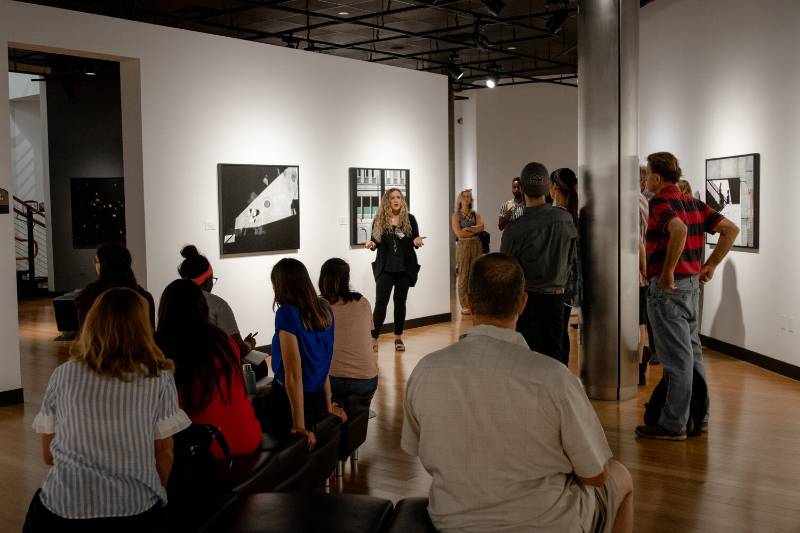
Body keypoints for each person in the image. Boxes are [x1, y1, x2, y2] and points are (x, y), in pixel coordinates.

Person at [402, 253, 633, 532]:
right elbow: (596, 475)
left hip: (453, 521)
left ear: (469, 300)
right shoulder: (554, 378)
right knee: (622, 477)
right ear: (523, 302)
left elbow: (415, 448)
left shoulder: (426, 370)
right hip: (547, 523)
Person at [24, 288, 190, 532]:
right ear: (143, 327)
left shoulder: (63, 375)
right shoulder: (159, 378)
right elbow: (164, 454)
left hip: (62, 512)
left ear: (92, 323)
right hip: (136, 510)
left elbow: (49, 456)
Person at [636, 152, 739, 440]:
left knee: (677, 361)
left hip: (669, 290)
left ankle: (673, 424)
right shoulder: (693, 203)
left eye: (648, 175)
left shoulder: (660, 201)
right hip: (692, 287)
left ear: (657, 177)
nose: (646, 180)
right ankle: (699, 416)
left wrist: (668, 271)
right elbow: (730, 229)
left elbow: (677, 229)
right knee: (693, 355)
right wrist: (710, 266)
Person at [155, 279, 261, 458]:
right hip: (247, 438)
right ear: (202, 307)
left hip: (204, 450)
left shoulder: (161, 348)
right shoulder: (222, 341)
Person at [500, 162, 577, 361]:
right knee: (555, 354)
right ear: (547, 187)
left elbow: (507, 269)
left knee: (528, 357)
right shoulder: (565, 219)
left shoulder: (514, 228)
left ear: (522, 188)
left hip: (527, 301)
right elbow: (571, 259)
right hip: (557, 298)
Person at [268, 258, 346, 449]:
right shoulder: (325, 309)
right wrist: (328, 404)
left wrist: (299, 426)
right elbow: (324, 361)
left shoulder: (286, 314)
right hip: (317, 396)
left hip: (291, 400)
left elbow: (294, 374)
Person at [177, 245, 260, 365]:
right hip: (211, 372)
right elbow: (238, 348)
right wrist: (249, 344)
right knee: (260, 366)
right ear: (208, 280)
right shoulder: (218, 305)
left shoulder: (172, 301)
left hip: (179, 371)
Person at [365, 188, 425, 352]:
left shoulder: (409, 219)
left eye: (399, 197)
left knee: (400, 303)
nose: (396, 200)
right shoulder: (380, 219)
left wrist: (417, 241)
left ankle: (398, 337)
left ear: (402, 200)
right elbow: (374, 241)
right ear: (387, 201)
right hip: (385, 268)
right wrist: (372, 244)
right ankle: (374, 338)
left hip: (404, 268)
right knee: (380, 304)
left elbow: (414, 239)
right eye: (392, 198)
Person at [318, 258, 379, 405]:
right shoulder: (362, 302)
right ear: (346, 278)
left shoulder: (318, 306)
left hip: (331, 379)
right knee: (358, 420)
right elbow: (370, 337)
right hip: (366, 378)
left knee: (332, 421)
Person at [75, 242, 155, 328]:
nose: (96, 266)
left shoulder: (89, 297)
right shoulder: (144, 297)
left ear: (104, 266)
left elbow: (84, 332)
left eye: (97, 261)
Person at [550, 168, 580, 366]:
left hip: (554, 285)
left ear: (554, 188)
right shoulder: (575, 216)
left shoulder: (556, 218)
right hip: (569, 285)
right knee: (561, 332)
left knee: (555, 334)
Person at [451, 189, 485, 315]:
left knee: (475, 273)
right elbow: (459, 233)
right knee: (464, 274)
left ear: (471, 199)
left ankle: (474, 302)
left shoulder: (476, 214)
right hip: (463, 246)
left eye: (468, 196)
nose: (466, 198)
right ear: (460, 199)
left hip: (476, 244)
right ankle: (465, 304)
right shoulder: (456, 216)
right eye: (464, 196)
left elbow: (482, 227)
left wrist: (468, 229)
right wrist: (474, 230)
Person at [638, 166, 654, 385]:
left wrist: (644, 269)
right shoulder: (643, 201)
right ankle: (640, 369)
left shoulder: (634, 202)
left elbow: (640, 242)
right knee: (641, 322)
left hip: (635, 275)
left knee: (639, 323)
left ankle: (639, 369)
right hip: (639, 275)